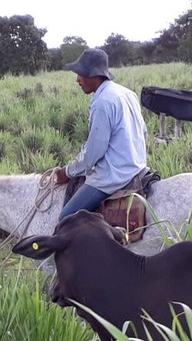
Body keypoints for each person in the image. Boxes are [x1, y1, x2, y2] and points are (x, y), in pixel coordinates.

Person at [52, 47, 149, 221]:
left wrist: (67, 172)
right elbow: (144, 132)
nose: (77, 80)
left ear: (93, 76)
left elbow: (94, 152)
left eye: (80, 74)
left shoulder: (102, 103)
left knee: (66, 219)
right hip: (138, 167)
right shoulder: (128, 94)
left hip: (113, 177)